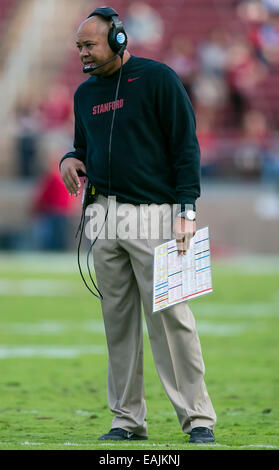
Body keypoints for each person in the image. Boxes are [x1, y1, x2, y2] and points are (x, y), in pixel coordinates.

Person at [59, 6, 217, 443]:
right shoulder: (84, 94)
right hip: (103, 218)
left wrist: (187, 211)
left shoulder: (158, 79)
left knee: (173, 320)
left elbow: (186, 146)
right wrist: (69, 159)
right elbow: (80, 146)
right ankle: (127, 421)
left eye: (89, 45)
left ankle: (198, 418)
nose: (83, 54)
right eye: (78, 47)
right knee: (118, 325)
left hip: (156, 216)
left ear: (119, 40)